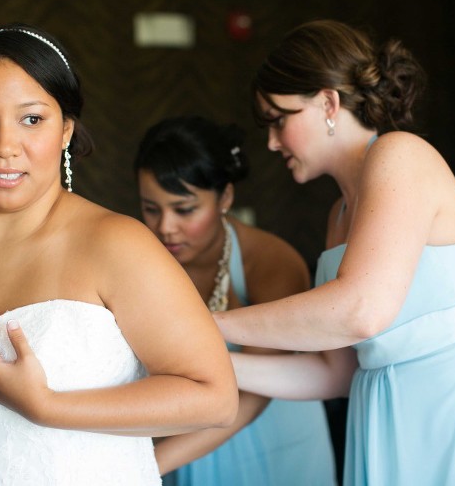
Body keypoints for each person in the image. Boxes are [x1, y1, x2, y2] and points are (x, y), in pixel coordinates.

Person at [0, 24, 238, 485]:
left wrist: (47, 406)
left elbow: (214, 399)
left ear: (66, 131)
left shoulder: (118, 245)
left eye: (32, 119)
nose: (3, 147)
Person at [213, 20, 455, 486]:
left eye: (279, 119)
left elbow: (360, 310)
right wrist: (210, 356)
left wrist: (207, 324)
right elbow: (333, 373)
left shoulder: (401, 155)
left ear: (328, 102)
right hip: (387, 434)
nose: (272, 141)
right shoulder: (339, 216)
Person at [134, 115, 337, 485]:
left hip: (270, 438)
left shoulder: (272, 263)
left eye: (184, 209)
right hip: (187, 438)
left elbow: (257, 394)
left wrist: (144, 465)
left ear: (224, 196)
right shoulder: (140, 260)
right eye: (151, 208)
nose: (165, 226)